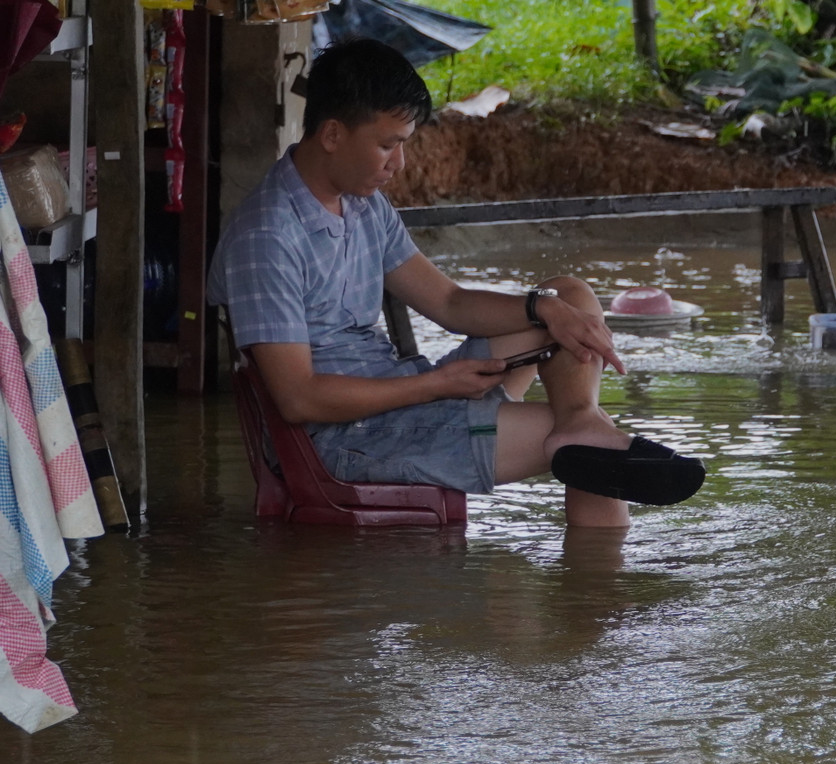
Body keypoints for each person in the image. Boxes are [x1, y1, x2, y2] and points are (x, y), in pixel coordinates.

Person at [208, 38, 704, 530]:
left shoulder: (362, 204)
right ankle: (597, 597)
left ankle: (580, 420)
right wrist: (434, 386)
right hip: (343, 436)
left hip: (403, 395)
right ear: (333, 134)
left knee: (566, 297)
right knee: (590, 456)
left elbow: (448, 301)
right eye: (388, 145)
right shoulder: (267, 236)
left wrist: (539, 309)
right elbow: (300, 399)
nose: (398, 164)